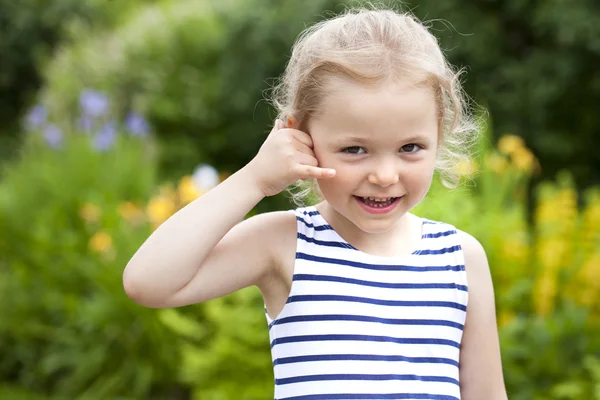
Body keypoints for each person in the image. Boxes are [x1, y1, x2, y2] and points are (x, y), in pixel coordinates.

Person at [123, 6, 508, 400]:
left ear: (439, 133)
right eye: (355, 149)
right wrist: (254, 179)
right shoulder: (285, 245)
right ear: (301, 138)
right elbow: (147, 282)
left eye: (410, 147)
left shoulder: (460, 259)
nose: (385, 175)